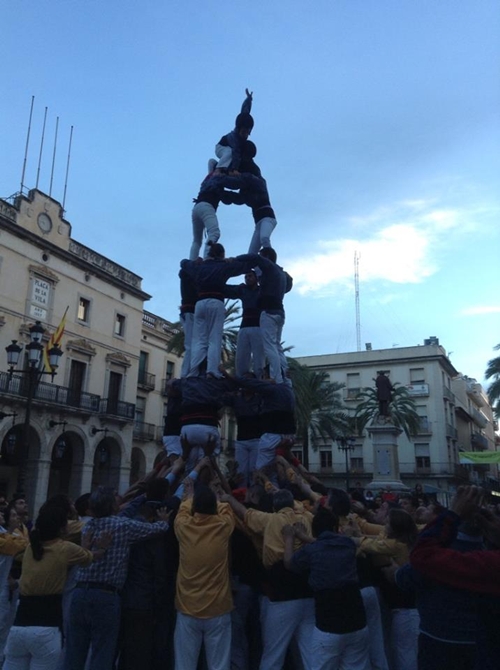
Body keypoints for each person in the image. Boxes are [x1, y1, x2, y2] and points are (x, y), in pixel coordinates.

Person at [63, 486, 171, 670]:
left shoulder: (87, 527)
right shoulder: (122, 526)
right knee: (102, 653)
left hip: (80, 592)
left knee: (74, 652)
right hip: (106, 595)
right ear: (112, 506)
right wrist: (163, 520)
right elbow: (156, 529)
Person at [3, 506, 108, 670]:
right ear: (60, 528)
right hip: (47, 625)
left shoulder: (31, 549)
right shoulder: (65, 548)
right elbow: (91, 557)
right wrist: (101, 547)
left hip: (19, 626)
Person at [224, 488, 315, 670]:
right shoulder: (307, 518)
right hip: (307, 591)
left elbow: (245, 513)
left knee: (273, 655)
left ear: (274, 506)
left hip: (282, 593)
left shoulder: (271, 520)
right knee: (310, 653)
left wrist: (227, 498)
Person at [282, 508, 370, 670]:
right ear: (336, 528)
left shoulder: (311, 551)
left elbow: (289, 563)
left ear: (314, 530)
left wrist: (290, 538)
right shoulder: (347, 544)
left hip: (329, 624)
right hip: (357, 621)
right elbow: (332, 542)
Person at [174, 480, 235, 670]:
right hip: (218, 608)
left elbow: (182, 511)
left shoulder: (183, 527)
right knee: (219, 665)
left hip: (187, 608)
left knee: (184, 665)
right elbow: (226, 509)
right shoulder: (223, 526)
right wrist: (217, 499)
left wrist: (189, 498)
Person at [180, 243, 253, 378]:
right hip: (216, 302)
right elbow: (244, 266)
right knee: (214, 338)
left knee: (199, 340)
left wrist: (194, 261)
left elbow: (183, 263)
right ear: (221, 254)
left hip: (200, 303)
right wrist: (233, 259)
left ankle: (193, 371)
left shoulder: (199, 267)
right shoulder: (223, 265)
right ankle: (211, 371)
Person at [238, 248, 293, 384]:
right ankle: (285, 375)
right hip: (280, 312)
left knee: (269, 346)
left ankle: (276, 378)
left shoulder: (269, 268)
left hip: (269, 311)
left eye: (262, 256)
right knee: (276, 345)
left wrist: (234, 259)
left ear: (267, 257)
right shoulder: (281, 273)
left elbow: (254, 258)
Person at [189, 166, 244, 260]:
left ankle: (191, 262)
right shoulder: (218, 178)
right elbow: (230, 191)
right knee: (214, 232)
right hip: (207, 206)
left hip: (196, 207)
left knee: (197, 240)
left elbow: (211, 162)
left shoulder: (208, 178)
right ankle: (207, 258)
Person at [0, 506, 28, 663]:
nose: (17, 517)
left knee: (6, 624)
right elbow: (15, 546)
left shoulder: (10, 535)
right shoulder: (6, 537)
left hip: (4, 583)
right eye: (13, 515)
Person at [224, 270, 264, 379]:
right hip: (244, 327)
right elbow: (226, 289)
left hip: (258, 327)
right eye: (246, 277)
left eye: (250, 276)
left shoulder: (263, 290)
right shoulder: (242, 289)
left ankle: (260, 382)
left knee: (259, 359)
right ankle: (241, 382)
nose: (247, 278)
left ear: (257, 278)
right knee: (241, 358)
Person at [215, 89, 254, 172]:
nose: (245, 135)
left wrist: (249, 99)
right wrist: (235, 169)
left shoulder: (244, 123)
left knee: (234, 155)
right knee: (230, 152)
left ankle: (214, 165)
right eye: (243, 132)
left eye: (247, 133)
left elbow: (245, 110)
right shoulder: (234, 138)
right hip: (221, 148)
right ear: (238, 129)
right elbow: (236, 152)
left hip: (229, 149)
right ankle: (218, 170)